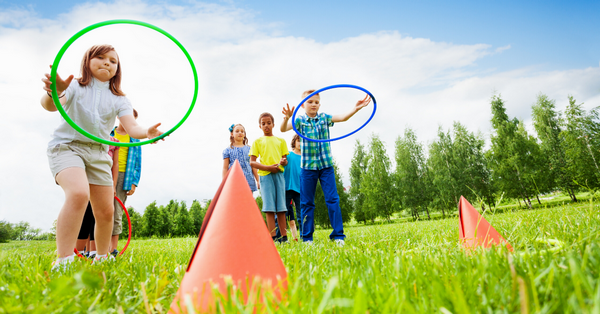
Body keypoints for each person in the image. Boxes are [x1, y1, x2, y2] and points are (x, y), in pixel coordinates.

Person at [41, 44, 163, 269]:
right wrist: (54, 91)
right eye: (101, 57)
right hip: (68, 147)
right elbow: (51, 106)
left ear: (118, 69)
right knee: (78, 194)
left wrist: (147, 133)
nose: (107, 62)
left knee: (106, 210)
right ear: (87, 61)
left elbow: (132, 127)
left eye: (113, 61)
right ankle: (64, 260)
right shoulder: (75, 86)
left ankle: (102, 256)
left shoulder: (119, 99)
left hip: (99, 153)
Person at [280, 90, 371, 245]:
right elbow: (283, 129)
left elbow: (342, 117)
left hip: (326, 166)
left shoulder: (324, 118)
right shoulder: (300, 121)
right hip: (308, 167)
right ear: (303, 105)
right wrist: (288, 118)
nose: (313, 104)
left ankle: (338, 236)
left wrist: (355, 108)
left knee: (333, 199)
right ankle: (307, 238)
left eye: (316, 102)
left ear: (319, 104)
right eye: (310, 101)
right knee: (307, 202)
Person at [76, 136, 120, 258]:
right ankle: (79, 251)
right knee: (86, 214)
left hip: (103, 180)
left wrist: (113, 186)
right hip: (88, 177)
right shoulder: (89, 135)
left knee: (100, 214)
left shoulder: (115, 142)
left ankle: (96, 252)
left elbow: (115, 165)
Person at [249, 113, 289, 243]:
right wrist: (267, 168)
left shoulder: (281, 141)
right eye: (263, 123)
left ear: (273, 124)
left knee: (282, 207)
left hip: (279, 175)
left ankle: (284, 238)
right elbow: (252, 162)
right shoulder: (257, 142)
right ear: (260, 126)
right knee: (269, 208)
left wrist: (283, 162)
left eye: (269, 123)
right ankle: (273, 239)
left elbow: (285, 160)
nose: (266, 125)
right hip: (265, 177)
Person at [109, 109, 142, 256]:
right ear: (118, 117)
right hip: (105, 173)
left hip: (124, 176)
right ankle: (93, 248)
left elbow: (137, 162)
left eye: (132, 120)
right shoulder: (109, 133)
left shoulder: (134, 139)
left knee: (116, 211)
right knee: (99, 210)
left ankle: (112, 249)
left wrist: (134, 182)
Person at [222, 124, 259, 192]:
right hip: (233, 182)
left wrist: (258, 180)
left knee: (247, 202)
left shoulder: (250, 149)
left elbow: (254, 166)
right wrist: (224, 183)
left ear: (244, 134)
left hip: (249, 182)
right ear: (232, 134)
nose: (240, 133)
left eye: (242, 131)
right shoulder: (227, 151)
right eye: (237, 131)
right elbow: (225, 168)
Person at [283, 134, 301, 240]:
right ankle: (281, 238)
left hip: (299, 189)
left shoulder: (305, 158)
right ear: (294, 142)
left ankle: (304, 236)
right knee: (283, 213)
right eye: (299, 140)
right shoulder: (288, 154)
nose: (301, 143)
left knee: (301, 213)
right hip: (286, 188)